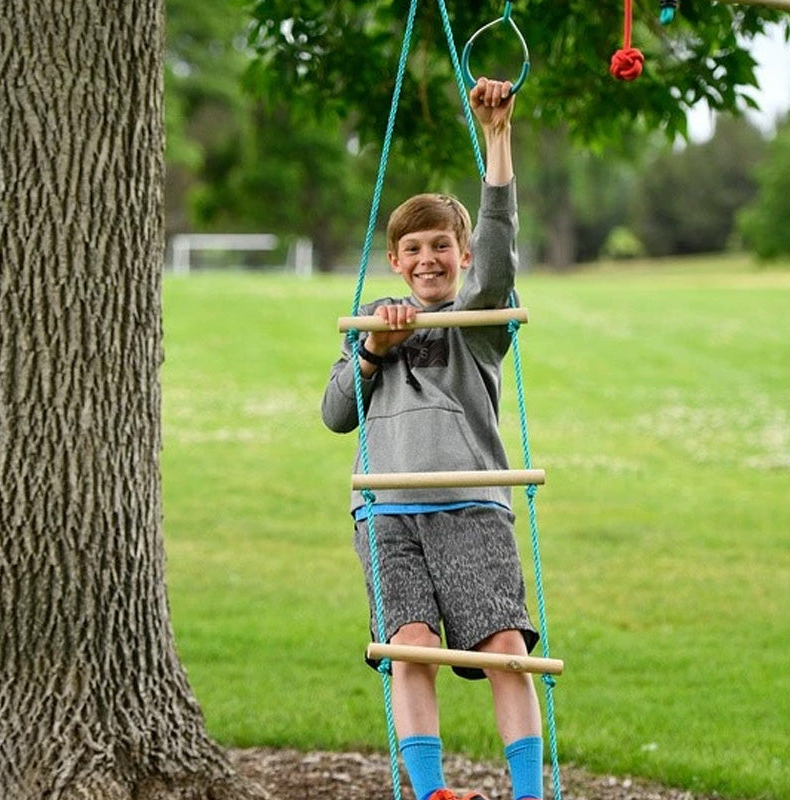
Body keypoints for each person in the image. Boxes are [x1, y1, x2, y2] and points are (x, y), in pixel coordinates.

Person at [321, 77, 543, 800]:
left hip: (470, 505)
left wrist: (497, 138)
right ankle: (429, 791)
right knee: (408, 648)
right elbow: (334, 413)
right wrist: (376, 348)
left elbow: (503, 248)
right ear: (394, 259)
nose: (427, 259)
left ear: (463, 254)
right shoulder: (369, 321)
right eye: (412, 248)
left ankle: (529, 790)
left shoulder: (478, 325)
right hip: (385, 513)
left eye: (442, 246)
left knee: (504, 649)